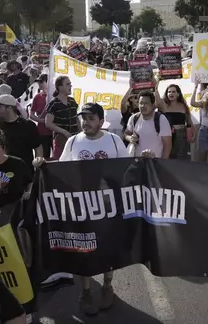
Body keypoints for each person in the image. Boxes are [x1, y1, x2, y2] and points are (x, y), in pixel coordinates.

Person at [59, 103, 128, 315]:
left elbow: (128, 168)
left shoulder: (114, 141)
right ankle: (86, 292)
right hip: (82, 207)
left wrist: (145, 161)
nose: (85, 123)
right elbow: (61, 170)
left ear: (100, 120)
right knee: (84, 249)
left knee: (107, 248)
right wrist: (42, 164)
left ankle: (107, 286)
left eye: (90, 118)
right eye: (83, 118)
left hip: (108, 207)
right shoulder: (72, 142)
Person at [0, 94, 43, 173]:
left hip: (24, 173)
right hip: (1, 175)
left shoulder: (28, 125)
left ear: (9, 108)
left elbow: (38, 147)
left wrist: (38, 163)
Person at [125, 91, 172, 158]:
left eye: (146, 103)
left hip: (155, 163)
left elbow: (168, 146)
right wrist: (130, 138)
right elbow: (126, 133)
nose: (142, 106)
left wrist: (162, 163)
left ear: (153, 105)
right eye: (141, 103)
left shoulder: (161, 119)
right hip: (138, 163)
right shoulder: (134, 118)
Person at [154, 81, 194, 160]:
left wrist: (193, 133)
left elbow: (188, 121)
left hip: (181, 136)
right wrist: (156, 86)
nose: (171, 94)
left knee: (180, 159)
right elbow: (157, 100)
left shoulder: (183, 105)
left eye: (173, 92)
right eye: (169, 92)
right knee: (167, 156)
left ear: (178, 94)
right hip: (167, 135)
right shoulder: (164, 104)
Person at [45, 75, 81, 159]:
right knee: (61, 164)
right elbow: (48, 123)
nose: (70, 86)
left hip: (74, 140)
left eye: (70, 84)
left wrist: (81, 132)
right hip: (61, 141)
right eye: (67, 84)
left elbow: (76, 118)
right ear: (60, 87)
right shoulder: (54, 103)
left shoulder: (72, 101)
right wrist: (64, 132)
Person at [30, 73, 53, 158]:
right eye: (38, 82)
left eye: (41, 82)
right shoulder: (37, 97)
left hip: (55, 131)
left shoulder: (55, 96)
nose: (39, 84)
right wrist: (42, 121)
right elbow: (31, 115)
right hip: (42, 132)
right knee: (44, 157)